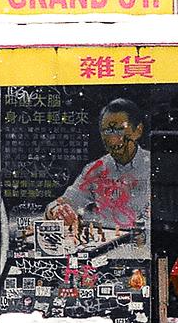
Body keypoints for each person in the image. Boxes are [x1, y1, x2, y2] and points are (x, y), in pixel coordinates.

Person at [44, 98, 150, 235]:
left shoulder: (153, 166)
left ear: (138, 131)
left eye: (119, 130)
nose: (112, 139)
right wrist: (56, 210)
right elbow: (64, 202)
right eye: (107, 131)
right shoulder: (95, 170)